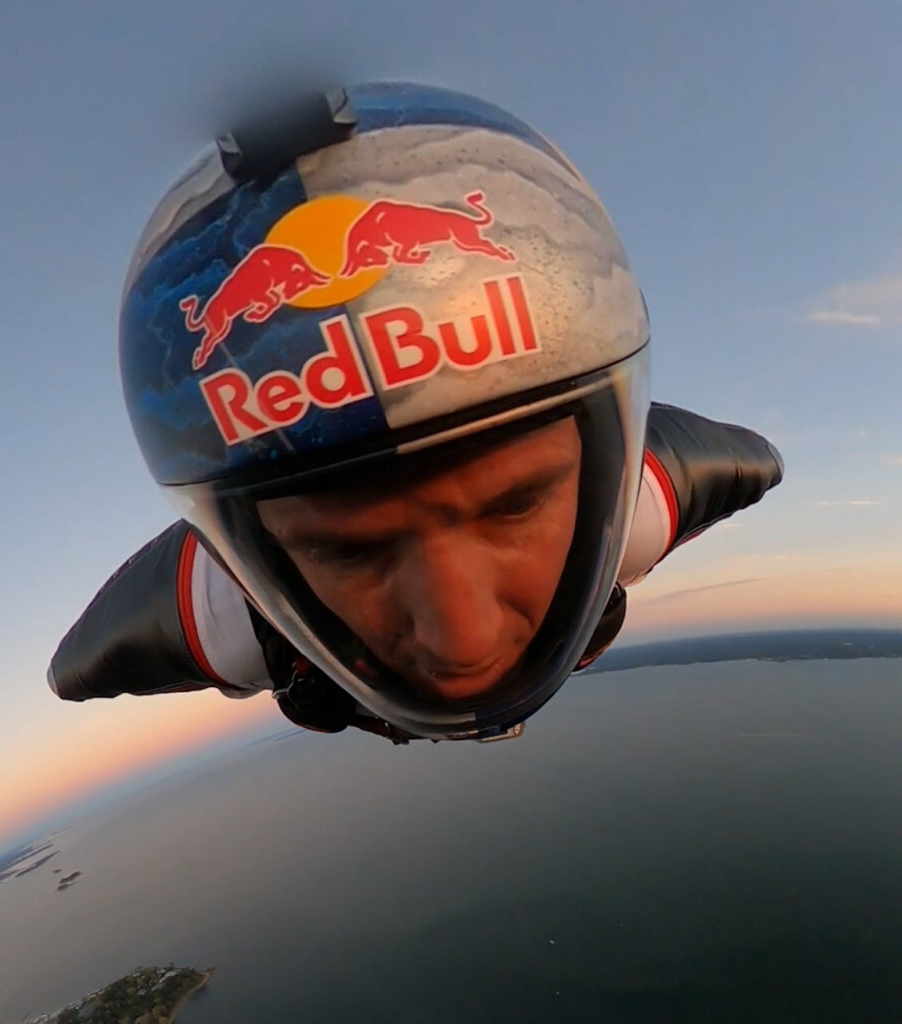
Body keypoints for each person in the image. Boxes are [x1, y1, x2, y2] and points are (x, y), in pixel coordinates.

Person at [48, 82, 783, 743]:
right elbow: (755, 460)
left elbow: (75, 669)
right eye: (349, 548)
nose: (463, 642)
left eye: (519, 502)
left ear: (604, 475)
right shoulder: (236, 614)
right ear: (252, 567)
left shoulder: (226, 626)